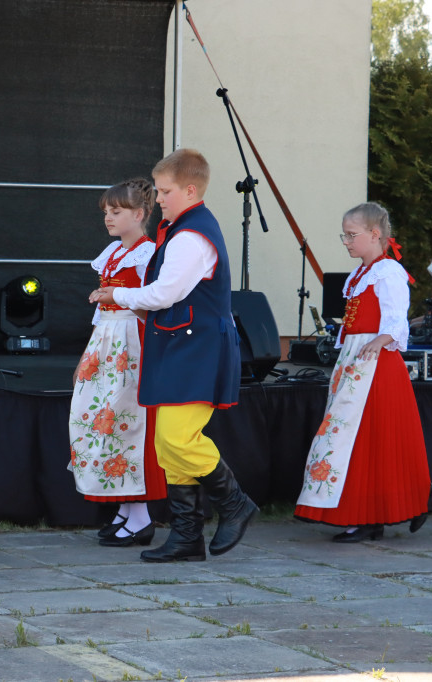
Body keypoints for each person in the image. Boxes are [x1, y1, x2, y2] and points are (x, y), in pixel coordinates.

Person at [96, 148, 256, 563]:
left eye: (165, 191)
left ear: (189, 189)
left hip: (197, 349)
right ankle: (187, 536)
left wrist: (118, 294)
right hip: (179, 346)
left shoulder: (191, 236)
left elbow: (165, 293)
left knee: (175, 437)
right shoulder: (178, 229)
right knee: (168, 447)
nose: (158, 199)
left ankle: (235, 502)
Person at [295, 202, 430, 542]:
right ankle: (362, 513)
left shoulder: (389, 273)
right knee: (350, 437)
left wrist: (382, 338)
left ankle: (372, 515)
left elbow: (397, 318)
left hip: (377, 366)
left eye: (351, 235)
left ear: (375, 234)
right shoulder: (360, 275)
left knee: (371, 439)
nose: (346, 242)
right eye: (345, 235)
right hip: (357, 363)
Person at [70, 178, 167, 547]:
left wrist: (120, 296)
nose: (109, 218)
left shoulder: (148, 254)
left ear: (140, 214)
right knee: (101, 421)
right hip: (107, 341)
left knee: (126, 421)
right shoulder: (112, 254)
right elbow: (100, 314)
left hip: (133, 341)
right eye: (107, 212)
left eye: (117, 211)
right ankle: (126, 509)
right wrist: (87, 354)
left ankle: (141, 517)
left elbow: (155, 304)